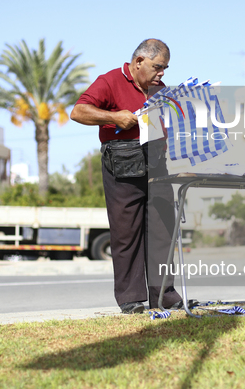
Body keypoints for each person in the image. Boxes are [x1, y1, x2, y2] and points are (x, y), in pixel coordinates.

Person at [70, 39, 183, 314]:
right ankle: (130, 298)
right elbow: (78, 111)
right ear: (139, 62)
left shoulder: (159, 89)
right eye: (158, 67)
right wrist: (114, 117)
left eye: (165, 68)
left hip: (157, 162)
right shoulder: (109, 81)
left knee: (163, 231)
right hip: (123, 162)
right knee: (126, 232)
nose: (162, 73)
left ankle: (164, 294)